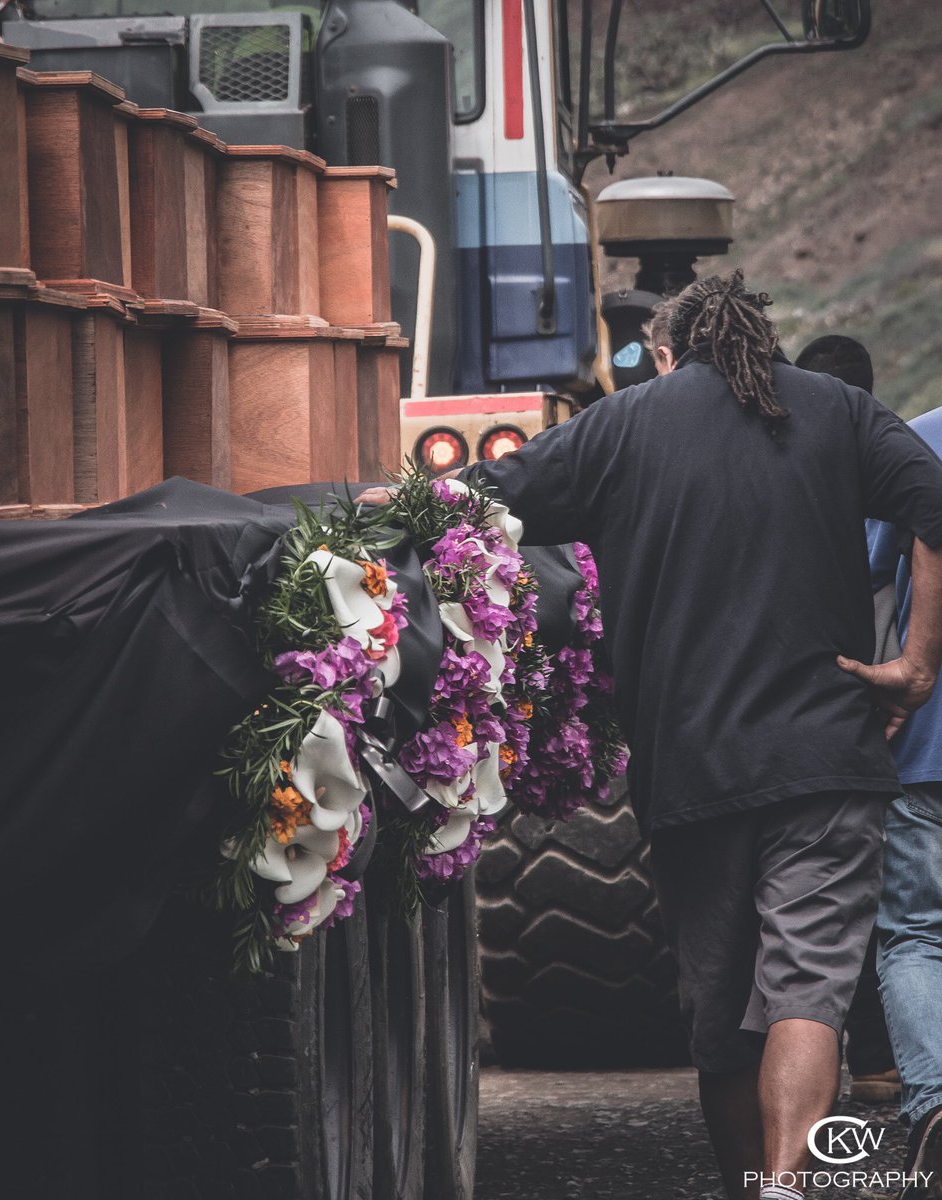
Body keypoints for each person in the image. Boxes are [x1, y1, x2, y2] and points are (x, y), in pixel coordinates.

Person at [358, 269, 942, 1200]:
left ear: (666, 353)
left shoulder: (621, 426)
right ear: (759, 336)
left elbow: (472, 501)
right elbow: (935, 500)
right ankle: (789, 1191)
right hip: (829, 759)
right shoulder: (837, 409)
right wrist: (916, 663)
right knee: (809, 994)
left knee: (719, 1021)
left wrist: (349, 514)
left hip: (694, 772)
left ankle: (754, 1184)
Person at [794, 333, 900, 1107]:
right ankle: (888, 1056)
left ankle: (861, 1057)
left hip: (821, 710)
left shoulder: (800, 462)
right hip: (898, 703)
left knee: (841, 900)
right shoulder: (890, 452)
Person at [867, 404, 942, 1197]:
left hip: (928, 743)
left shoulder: (920, 439)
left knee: (917, 933)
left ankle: (936, 1103)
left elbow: (866, 557)